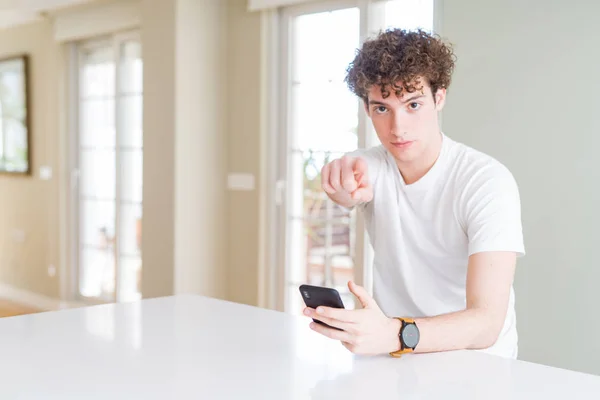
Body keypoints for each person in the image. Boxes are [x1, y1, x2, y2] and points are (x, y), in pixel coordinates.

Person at [303, 28, 525, 359]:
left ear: (439, 98)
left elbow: (486, 323)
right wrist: (345, 186)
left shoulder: (486, 181)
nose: (397, 127)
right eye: (382, 109)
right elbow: (356, 172)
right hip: (394, 355)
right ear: (367, 109)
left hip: (476, 364)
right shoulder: (372, 167)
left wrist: (395, 333)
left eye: (413, 104)